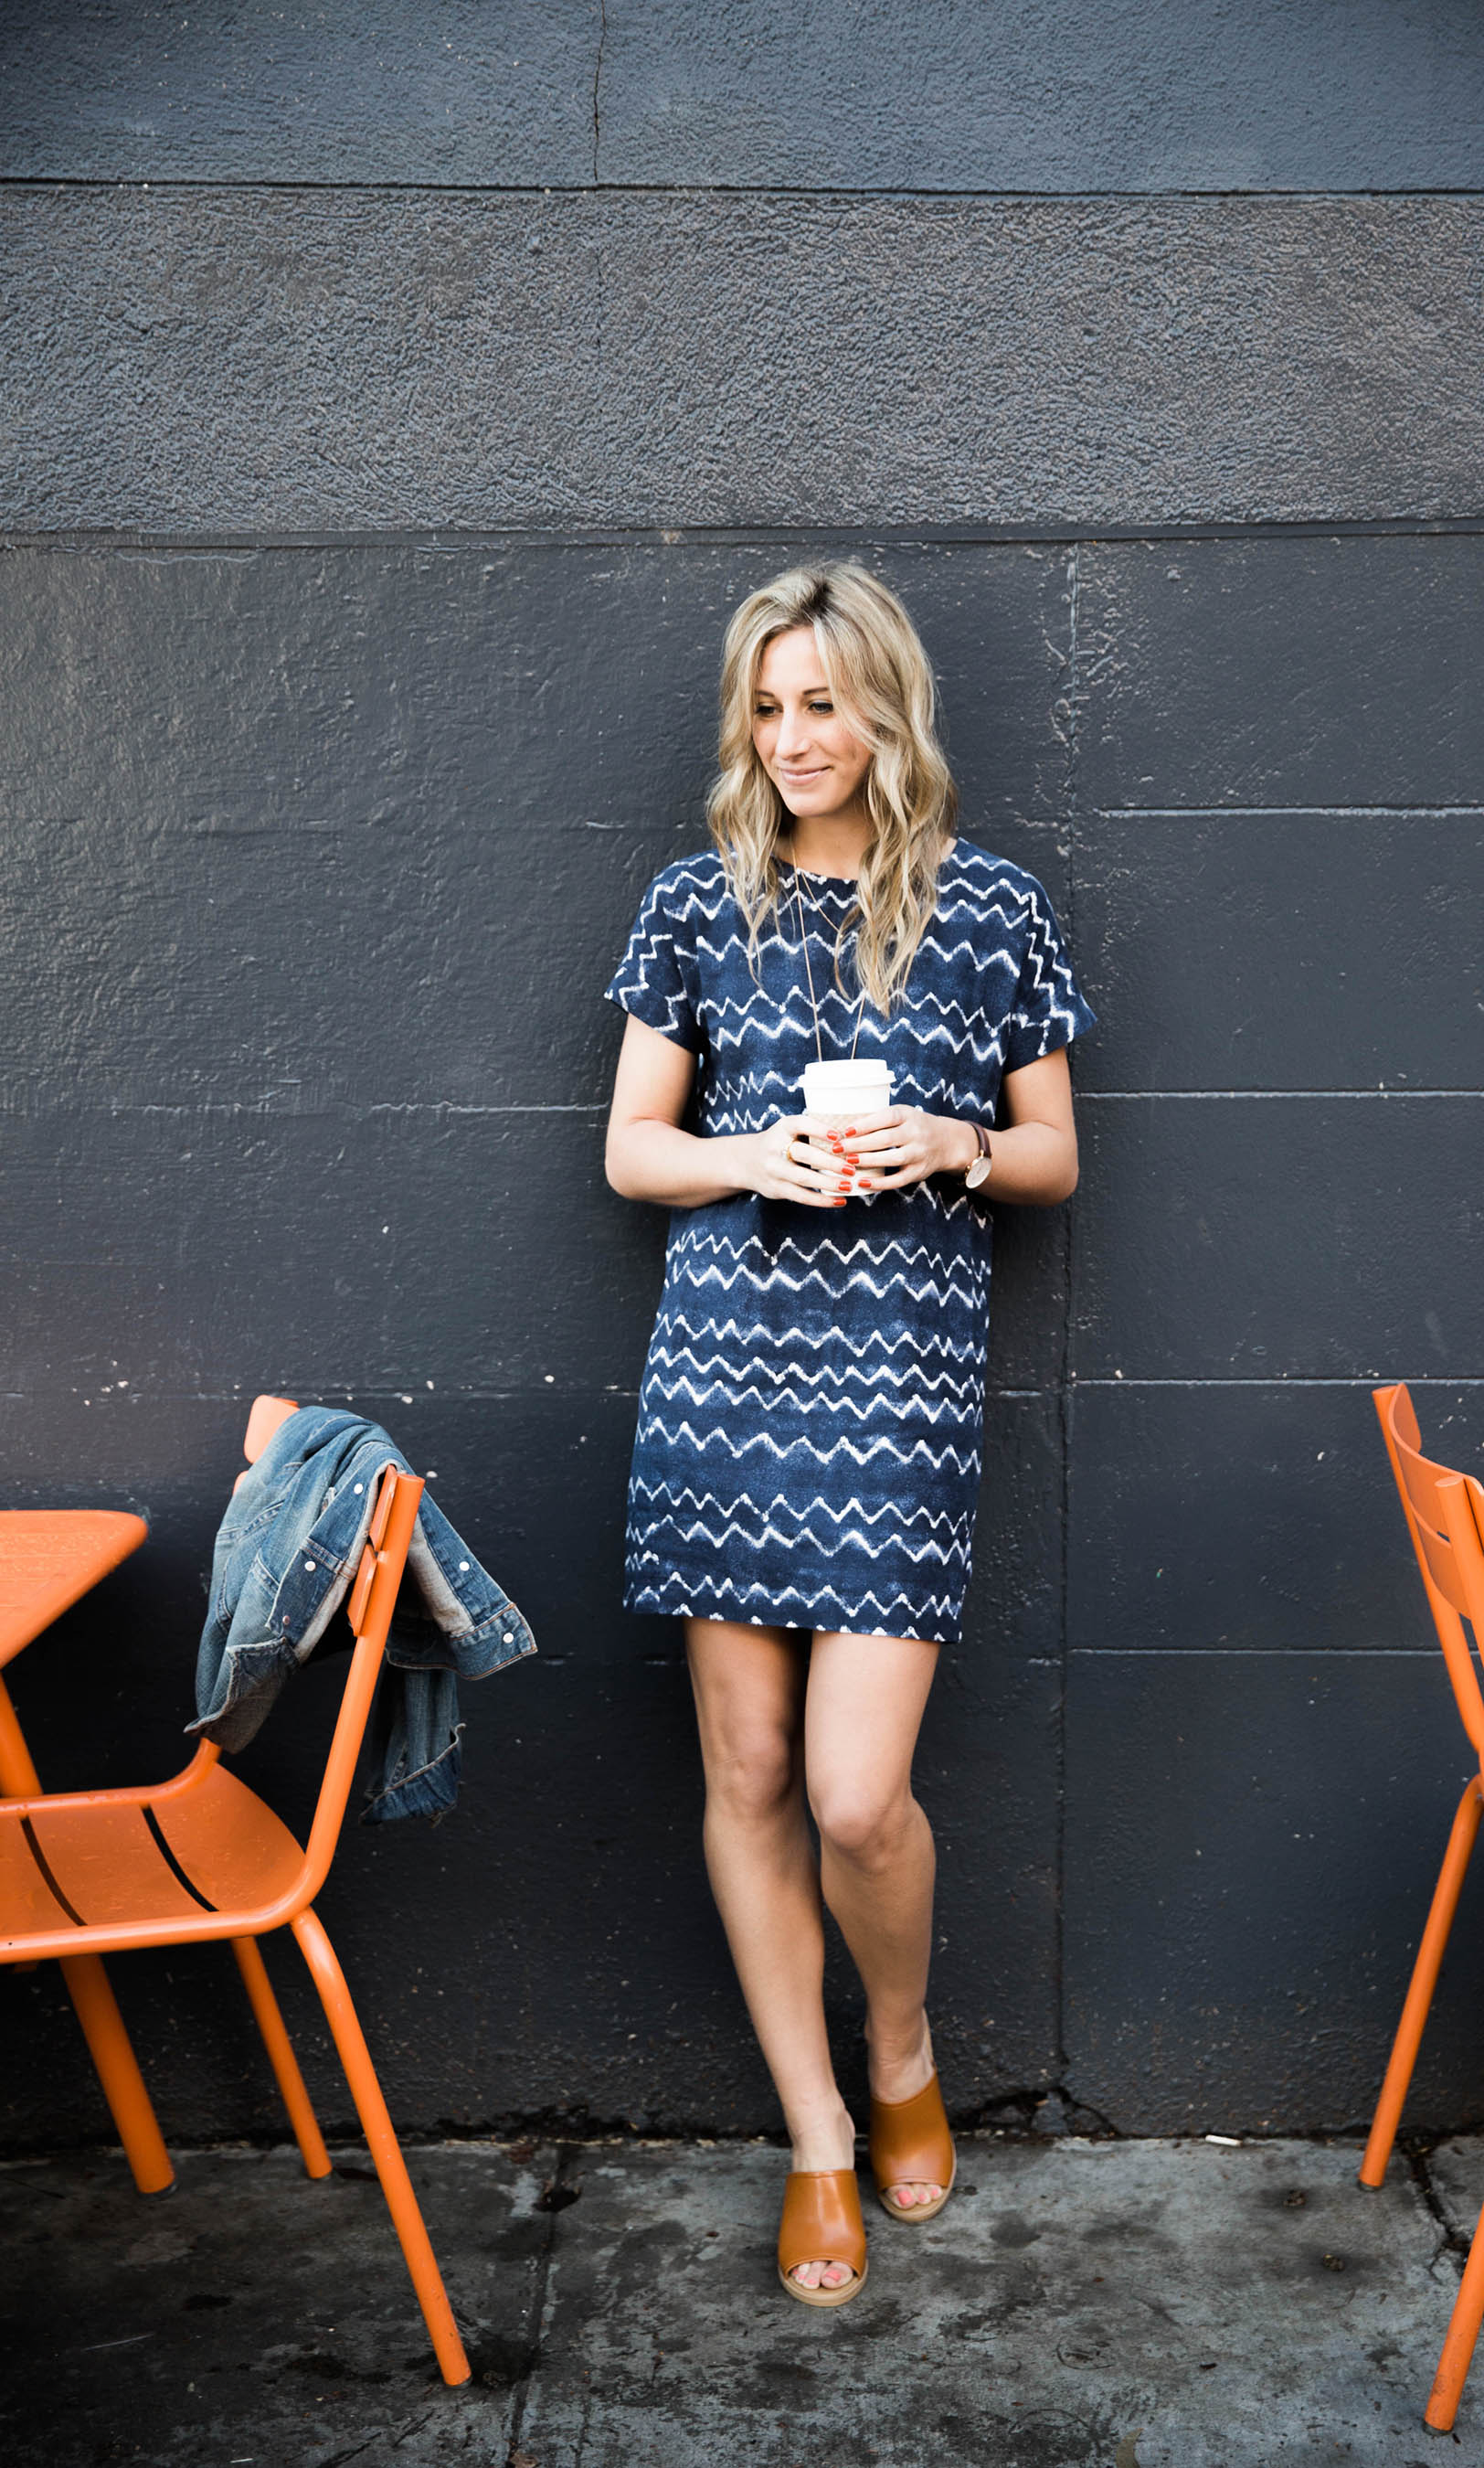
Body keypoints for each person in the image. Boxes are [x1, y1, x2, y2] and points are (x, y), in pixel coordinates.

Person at [604, 562, 1094, 2306]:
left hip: (898, 1387)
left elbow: (1053, 1154)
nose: (796, 738)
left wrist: (952, 1144)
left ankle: (899, 2051)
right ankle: (819, 2133)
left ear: (887, 707)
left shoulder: (993, 908)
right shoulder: (694, 903)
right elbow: (632, 1151)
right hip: (722, 1375)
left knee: (854, 1796)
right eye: (769, 704)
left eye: (826, 702)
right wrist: (755, 1159)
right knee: (746, 1779)